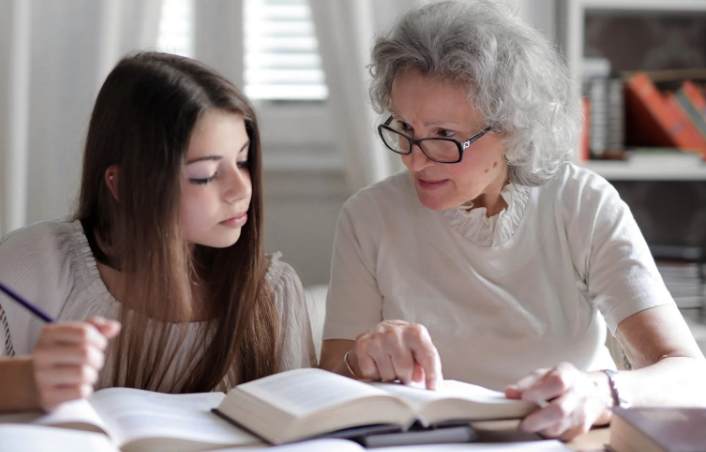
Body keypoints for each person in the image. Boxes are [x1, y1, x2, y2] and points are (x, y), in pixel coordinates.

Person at [320, 0, 706, 441]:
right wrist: (361, 360)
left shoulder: (582, 204)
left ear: (513, 129)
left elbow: (690, 375)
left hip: (567, 441)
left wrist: (600, 390)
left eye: (444, 136)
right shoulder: (368, 217)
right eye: (405, 128)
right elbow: (327, 380)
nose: (414, 159)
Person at [0, 52, 315, 413]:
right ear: (124, 186)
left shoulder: (274, 294)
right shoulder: (31, 267)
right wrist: (23, 381)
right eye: (205, 175)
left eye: (243, 162)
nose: (241, 189)